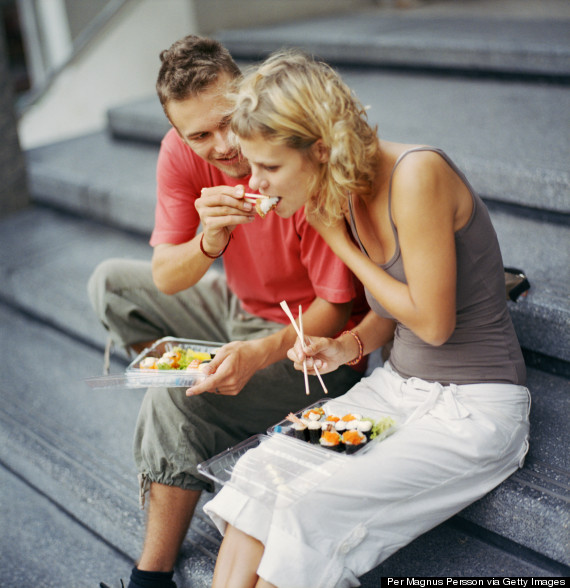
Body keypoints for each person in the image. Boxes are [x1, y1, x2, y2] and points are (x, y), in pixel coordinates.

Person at [202, 50, 531, 587]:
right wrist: (346, 346)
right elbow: (387, 312)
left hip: (472, 411)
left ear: (322, 148)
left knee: (307, 510)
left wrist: (339, 244)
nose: (254, 182)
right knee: (262, 472)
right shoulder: (343, 187)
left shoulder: (417, 174)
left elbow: (432, 324)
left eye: (269, 166)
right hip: (397, 389)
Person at [90, 37, 369, 588]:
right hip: (239, 309)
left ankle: (151, 577)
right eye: (199, 135)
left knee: (174, 394)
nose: (221, 146)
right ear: (178, 133)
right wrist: (209, 241)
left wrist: (257, 353)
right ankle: (213, 417)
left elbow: (336, 309)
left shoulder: (287, 153)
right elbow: (169, 275)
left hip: (313, 348)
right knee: (111, 285)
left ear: (244, 94)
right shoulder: (182, 152)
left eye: (226, 123)